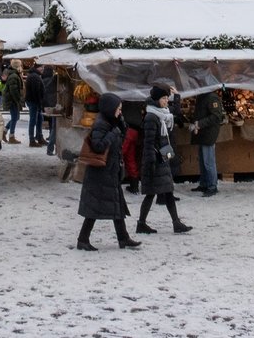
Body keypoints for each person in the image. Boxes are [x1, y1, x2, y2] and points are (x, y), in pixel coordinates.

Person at [76, 93, 140, 250]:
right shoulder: (101, 124)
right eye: (118, 108)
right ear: (110, 109)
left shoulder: (112, 122)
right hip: (100, 173)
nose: (120, 111)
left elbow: (120, 139)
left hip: (110, 171)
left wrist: (121, 124)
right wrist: (114, 133)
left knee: (116, 206)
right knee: (94, 208)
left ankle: (123, 238)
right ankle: (83, 240)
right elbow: (98, 146)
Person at [136, 86, 191, 234]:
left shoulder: (163, 114)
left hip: (162, 157)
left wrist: (177, 97)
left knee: (167, 191)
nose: (167, 101)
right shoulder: (151, 117)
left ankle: (176, 222)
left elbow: (176, 113)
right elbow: (148, 143)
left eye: (167, 98)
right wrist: (151, 162)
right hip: (155, 160)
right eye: (164, 98)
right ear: (156, 100)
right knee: (151, 194)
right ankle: (141, 223)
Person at [188, 90, 224, 197]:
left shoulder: (212, 97)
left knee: (208, 161)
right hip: (202, 132)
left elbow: (216, 116)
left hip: (208, 133)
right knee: (203, 161)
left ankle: (212, 186)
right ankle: (204, 183)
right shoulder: (202, 96)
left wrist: (199, 124)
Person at [2, 59, 24, 143]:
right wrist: (18, 100)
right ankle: (11, 136)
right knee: (15, 117)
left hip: (12, 99)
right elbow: (13, 90)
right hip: (12, 100)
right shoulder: (14, 76)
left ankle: (4, 131)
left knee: (15, 117)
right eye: (20, 65)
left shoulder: (14, 75)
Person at [24, 63, 46, 147]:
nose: (43, 69)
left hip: (34, 101)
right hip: (34, 101)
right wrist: (39, 102)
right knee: (33, 120)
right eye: (42, 67)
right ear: (37, 67)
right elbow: (35, 91)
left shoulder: (35, 75)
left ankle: (39, 137)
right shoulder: (34, 76)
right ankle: (32, 140)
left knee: (40, 118)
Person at [42, 66, 59, 155]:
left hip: (47, 106)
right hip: (54, 106)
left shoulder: (43, 80)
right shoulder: (54, 80)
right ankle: (51, 148)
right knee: (55, 127)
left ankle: (51, 148)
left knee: (53, 126)